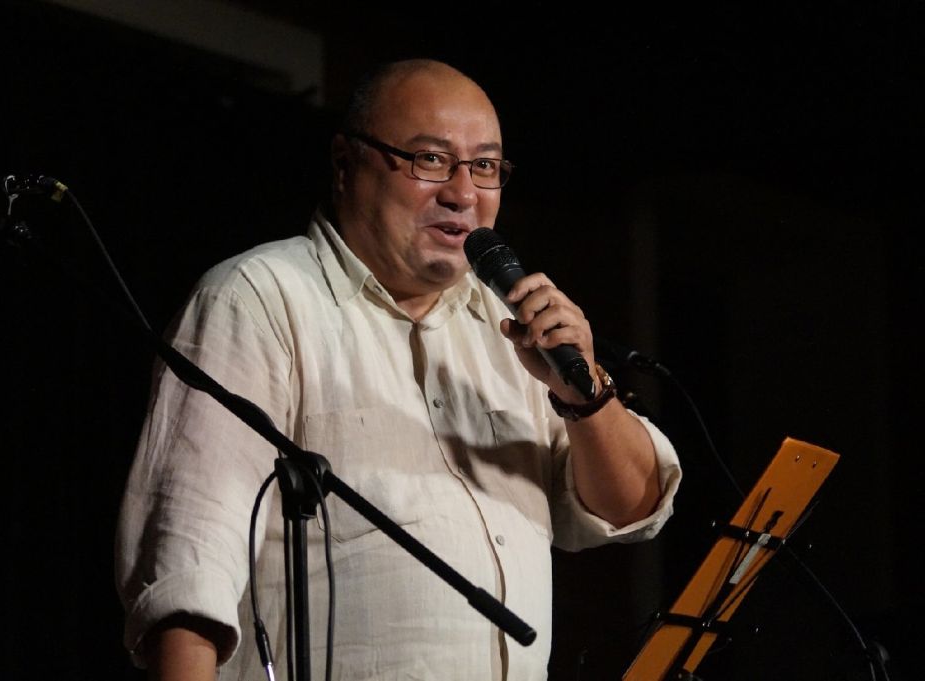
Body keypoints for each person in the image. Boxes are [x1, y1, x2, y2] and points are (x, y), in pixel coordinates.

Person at [115, 58, 682, 681]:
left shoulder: (513, 330)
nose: (463, 193)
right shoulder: (260, 298)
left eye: (485, 167)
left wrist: (585, 398)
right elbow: (188, 558)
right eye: (430, 160)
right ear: (344, 163)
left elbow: (631, 509)